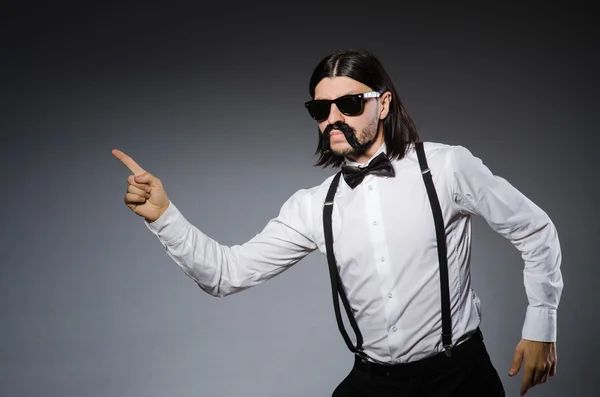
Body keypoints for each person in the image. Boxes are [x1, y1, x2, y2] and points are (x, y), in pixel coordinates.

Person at [112, 49, 562, 397]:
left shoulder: (445, 168)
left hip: (459, 377)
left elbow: (534, 229)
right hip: (374, 383)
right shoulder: (314, 206)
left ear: (382, 105)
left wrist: (541, 325)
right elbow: (226, 274)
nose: (333, 118)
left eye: (348, 103)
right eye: (320, 109)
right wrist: (165, 217)